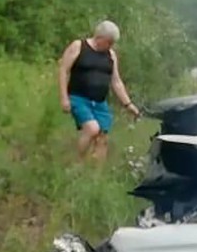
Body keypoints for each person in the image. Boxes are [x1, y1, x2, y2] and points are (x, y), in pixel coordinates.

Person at [58, 20, 140, 161]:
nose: (110, 46)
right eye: (109, 42)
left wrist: (128, 104)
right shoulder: (79, 46)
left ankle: (95, 177)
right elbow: (63, 70)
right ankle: (77, 163)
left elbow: (116, 81)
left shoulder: (111, 55)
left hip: (99, 102)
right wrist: (64, 97)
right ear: (99, 38)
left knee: (102, 137)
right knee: (92, 128)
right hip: (79, 98)